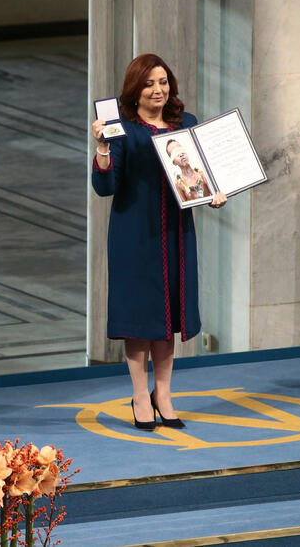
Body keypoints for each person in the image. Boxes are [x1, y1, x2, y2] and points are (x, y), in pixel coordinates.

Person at [91, 54, 227, 431]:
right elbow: (105, 186)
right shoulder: (121, 127)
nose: (158, 90)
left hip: (176, 233)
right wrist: (102, 148)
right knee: (140, 320)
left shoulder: (187, 125)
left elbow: (202, 176)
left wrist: (214, 192)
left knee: (168, 318)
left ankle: (163, 393)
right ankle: (139, 395)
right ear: (135, 89)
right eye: (150, 83)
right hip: (134, 235)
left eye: (163, 82)